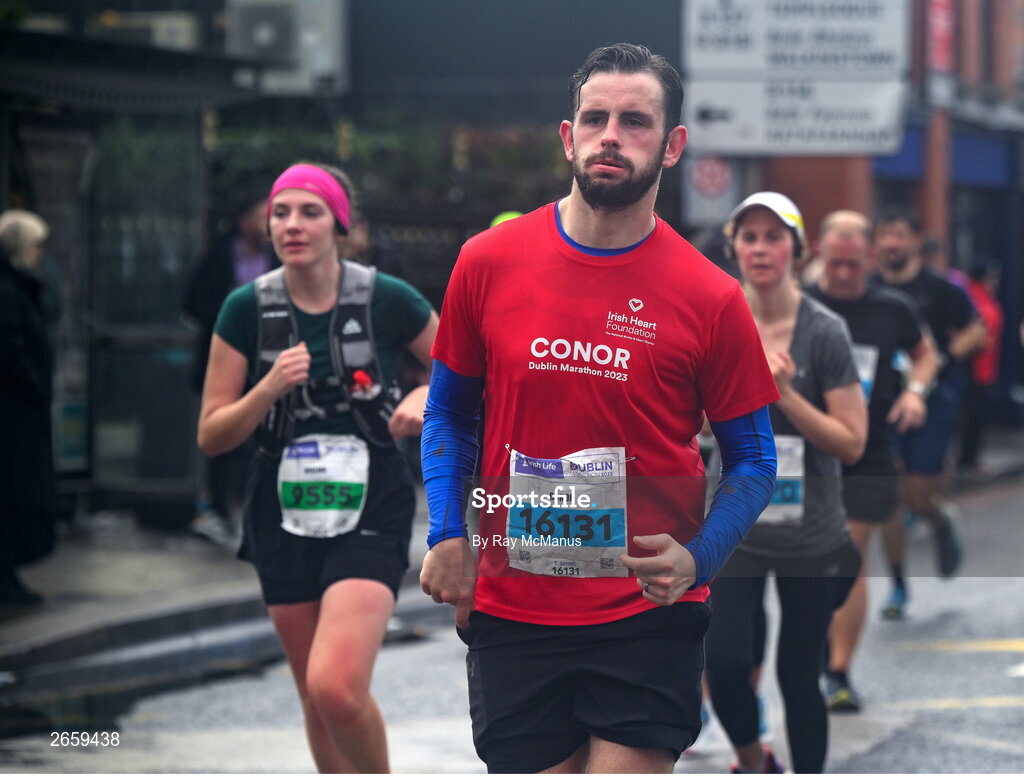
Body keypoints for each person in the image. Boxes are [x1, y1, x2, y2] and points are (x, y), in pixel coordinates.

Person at [420, 43, 781, 774]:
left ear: (673, 144)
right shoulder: (487, 261)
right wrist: (446, 530)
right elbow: (450, 414)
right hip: (514, 611)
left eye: (636, 121)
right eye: (596, 118)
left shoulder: (710, 297)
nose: (611, 135)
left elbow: (754, 459)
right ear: (568, 135)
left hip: (645, 616)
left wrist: (697, 559)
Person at [196, 162, 437, 773]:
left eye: (309, 212)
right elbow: (212, 434)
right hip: (281, 510)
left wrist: (421, 395)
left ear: (339, 224)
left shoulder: (385, 296)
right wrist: (267, 388)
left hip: (372, 504)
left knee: (335, 685)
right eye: (281, 212)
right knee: (312, 693)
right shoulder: (245, 308)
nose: (292, 225)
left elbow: (462, 374)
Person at [705, 192, 866, 774]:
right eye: (749, 237)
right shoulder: (716, 319)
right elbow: (687, 421)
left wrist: (787, 395)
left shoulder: (825, 333)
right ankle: (754, 762)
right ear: (735, 248)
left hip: (810, 535)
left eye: (774, 237)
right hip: (733, 530)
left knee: (799, 676)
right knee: (722, 665)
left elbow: (852, 440)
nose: (760, 249)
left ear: (798, 251)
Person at [807, 210, 939, 712]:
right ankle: (813, 648)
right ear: (819, 252)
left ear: (869, 257)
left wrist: (916, 392)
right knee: (813, 561)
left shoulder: (892, 307)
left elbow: (926, 353)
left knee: (848, 553)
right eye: (835, 263)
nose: (843, 274)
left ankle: (837, 670)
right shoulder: (801, 304)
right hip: (806, 450)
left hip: (869, 447)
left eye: (852, 264)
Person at [872, 210, 984, 618]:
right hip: (881, 406)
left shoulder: (941, 288)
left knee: (917, 496)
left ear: (916, 240)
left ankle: (939, 520)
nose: (891, 244)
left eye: (899, 235)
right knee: (890, 496)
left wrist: (942, 359)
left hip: (932, 403)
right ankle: (898, 587)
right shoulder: (870, 290)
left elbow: (977, 329)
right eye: (885, 235)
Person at [183, 194, 279, 546]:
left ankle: (252, 511)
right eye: (262, 215)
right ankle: (216, 509)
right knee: (224, 439)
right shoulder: (220, 255)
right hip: (225, 360)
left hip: (265, 364)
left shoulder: (276, 258)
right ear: (242, 221)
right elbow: (193, 301)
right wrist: (232, 315)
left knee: (260, 439)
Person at [0, 209, 57, 605]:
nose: (40, 254)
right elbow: (12, 351)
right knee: (13, 495)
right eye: (35, 246)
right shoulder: (9, 293)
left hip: (20, 414)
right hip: (13, 417)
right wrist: (35, 388)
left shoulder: (18, 289)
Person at [959, 260, 1004, 474]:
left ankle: (970, 458)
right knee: (972, 414)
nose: (994, 282)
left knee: (978, 413)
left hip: (987, 365)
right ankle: (966, 460)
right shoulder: (972, 296)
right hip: (973, 366)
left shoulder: (985, 296)